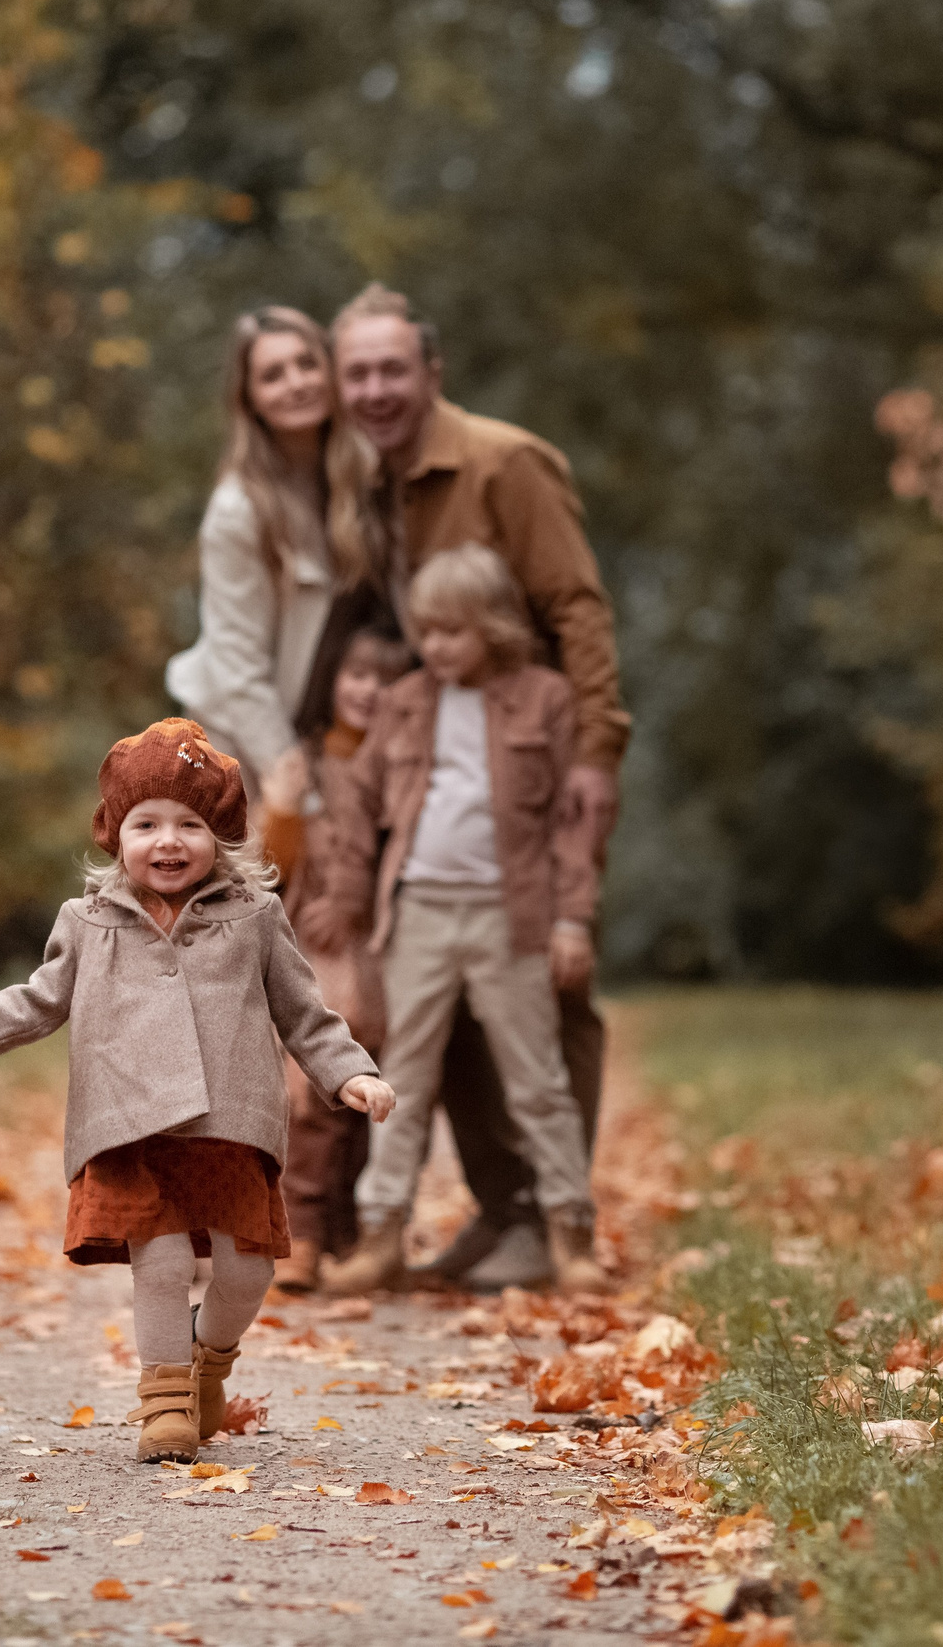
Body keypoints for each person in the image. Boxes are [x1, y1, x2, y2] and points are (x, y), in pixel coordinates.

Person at [0, 719, 396, 1462]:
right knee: (159, 1262)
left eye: (190, 824)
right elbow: (38, 999)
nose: (168, 841)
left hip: (231, 1124)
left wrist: (350, 1070)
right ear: (115, 834)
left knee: (246, 1268)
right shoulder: (88, 922)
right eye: (147, 823)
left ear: (220, 837)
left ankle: (208, 1360)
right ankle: (164, 1404)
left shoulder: (256, 917)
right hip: (132, 1126)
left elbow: (305, 1011)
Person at [321, 284, 627, 1284]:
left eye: (391, 369)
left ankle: (551, 1214)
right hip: (437, 798)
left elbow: (577, 612)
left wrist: (594, 754)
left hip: (531, 780)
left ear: (429, 372)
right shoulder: (373, 483)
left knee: (548, 1010)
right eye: (356, 372)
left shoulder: (504, 464)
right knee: (433, 1031)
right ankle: (503, 1211)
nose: (374, 388)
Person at [313, 545, 606, 1296]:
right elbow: (359, 802)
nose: (435, 646)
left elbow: (572, 827)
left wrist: (573, 920)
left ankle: (571, 1235)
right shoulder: (409, 700)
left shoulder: (544, 698)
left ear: (494, 626)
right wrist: (346, 897)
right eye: (427, 630)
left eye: (453, 631)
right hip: (419, 914)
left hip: (513, 918)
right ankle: (381, 1235)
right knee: (402, 1074)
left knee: (536, 1078)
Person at [164, 307, 380, 799]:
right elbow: (239, 673)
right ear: (251, 401)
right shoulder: (238, 511)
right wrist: (296, 791)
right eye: (272, 375)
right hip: (245, 744)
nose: (297, 383)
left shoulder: (361, 475)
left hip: (329, 733)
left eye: (307, 363)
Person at [263, 626, 414, 1293]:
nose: (368, 690)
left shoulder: (404, 763)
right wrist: (286, 812)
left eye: (384, 679)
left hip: (381, 942)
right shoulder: (306, 761)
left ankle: (346, 1228)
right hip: (319, 945)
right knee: (319, 1084)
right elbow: (271, 865)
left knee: (373, 1092)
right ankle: (301, 1231)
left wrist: (357, 899)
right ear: (329, 680)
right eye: (355, 674)